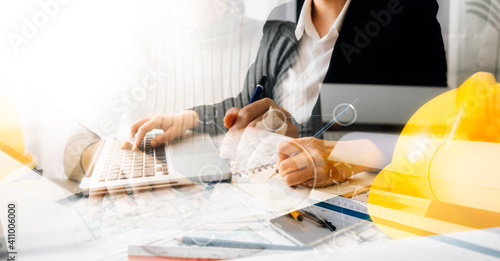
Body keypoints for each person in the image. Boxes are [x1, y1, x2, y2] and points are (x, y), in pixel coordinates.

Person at [126, 0, 447, 153]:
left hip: (353, 205)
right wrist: (190, 118)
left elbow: (428, 135)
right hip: (274, 187)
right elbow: (251, 100)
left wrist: (331, 153)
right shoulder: (281, 16)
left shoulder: (406, 14)